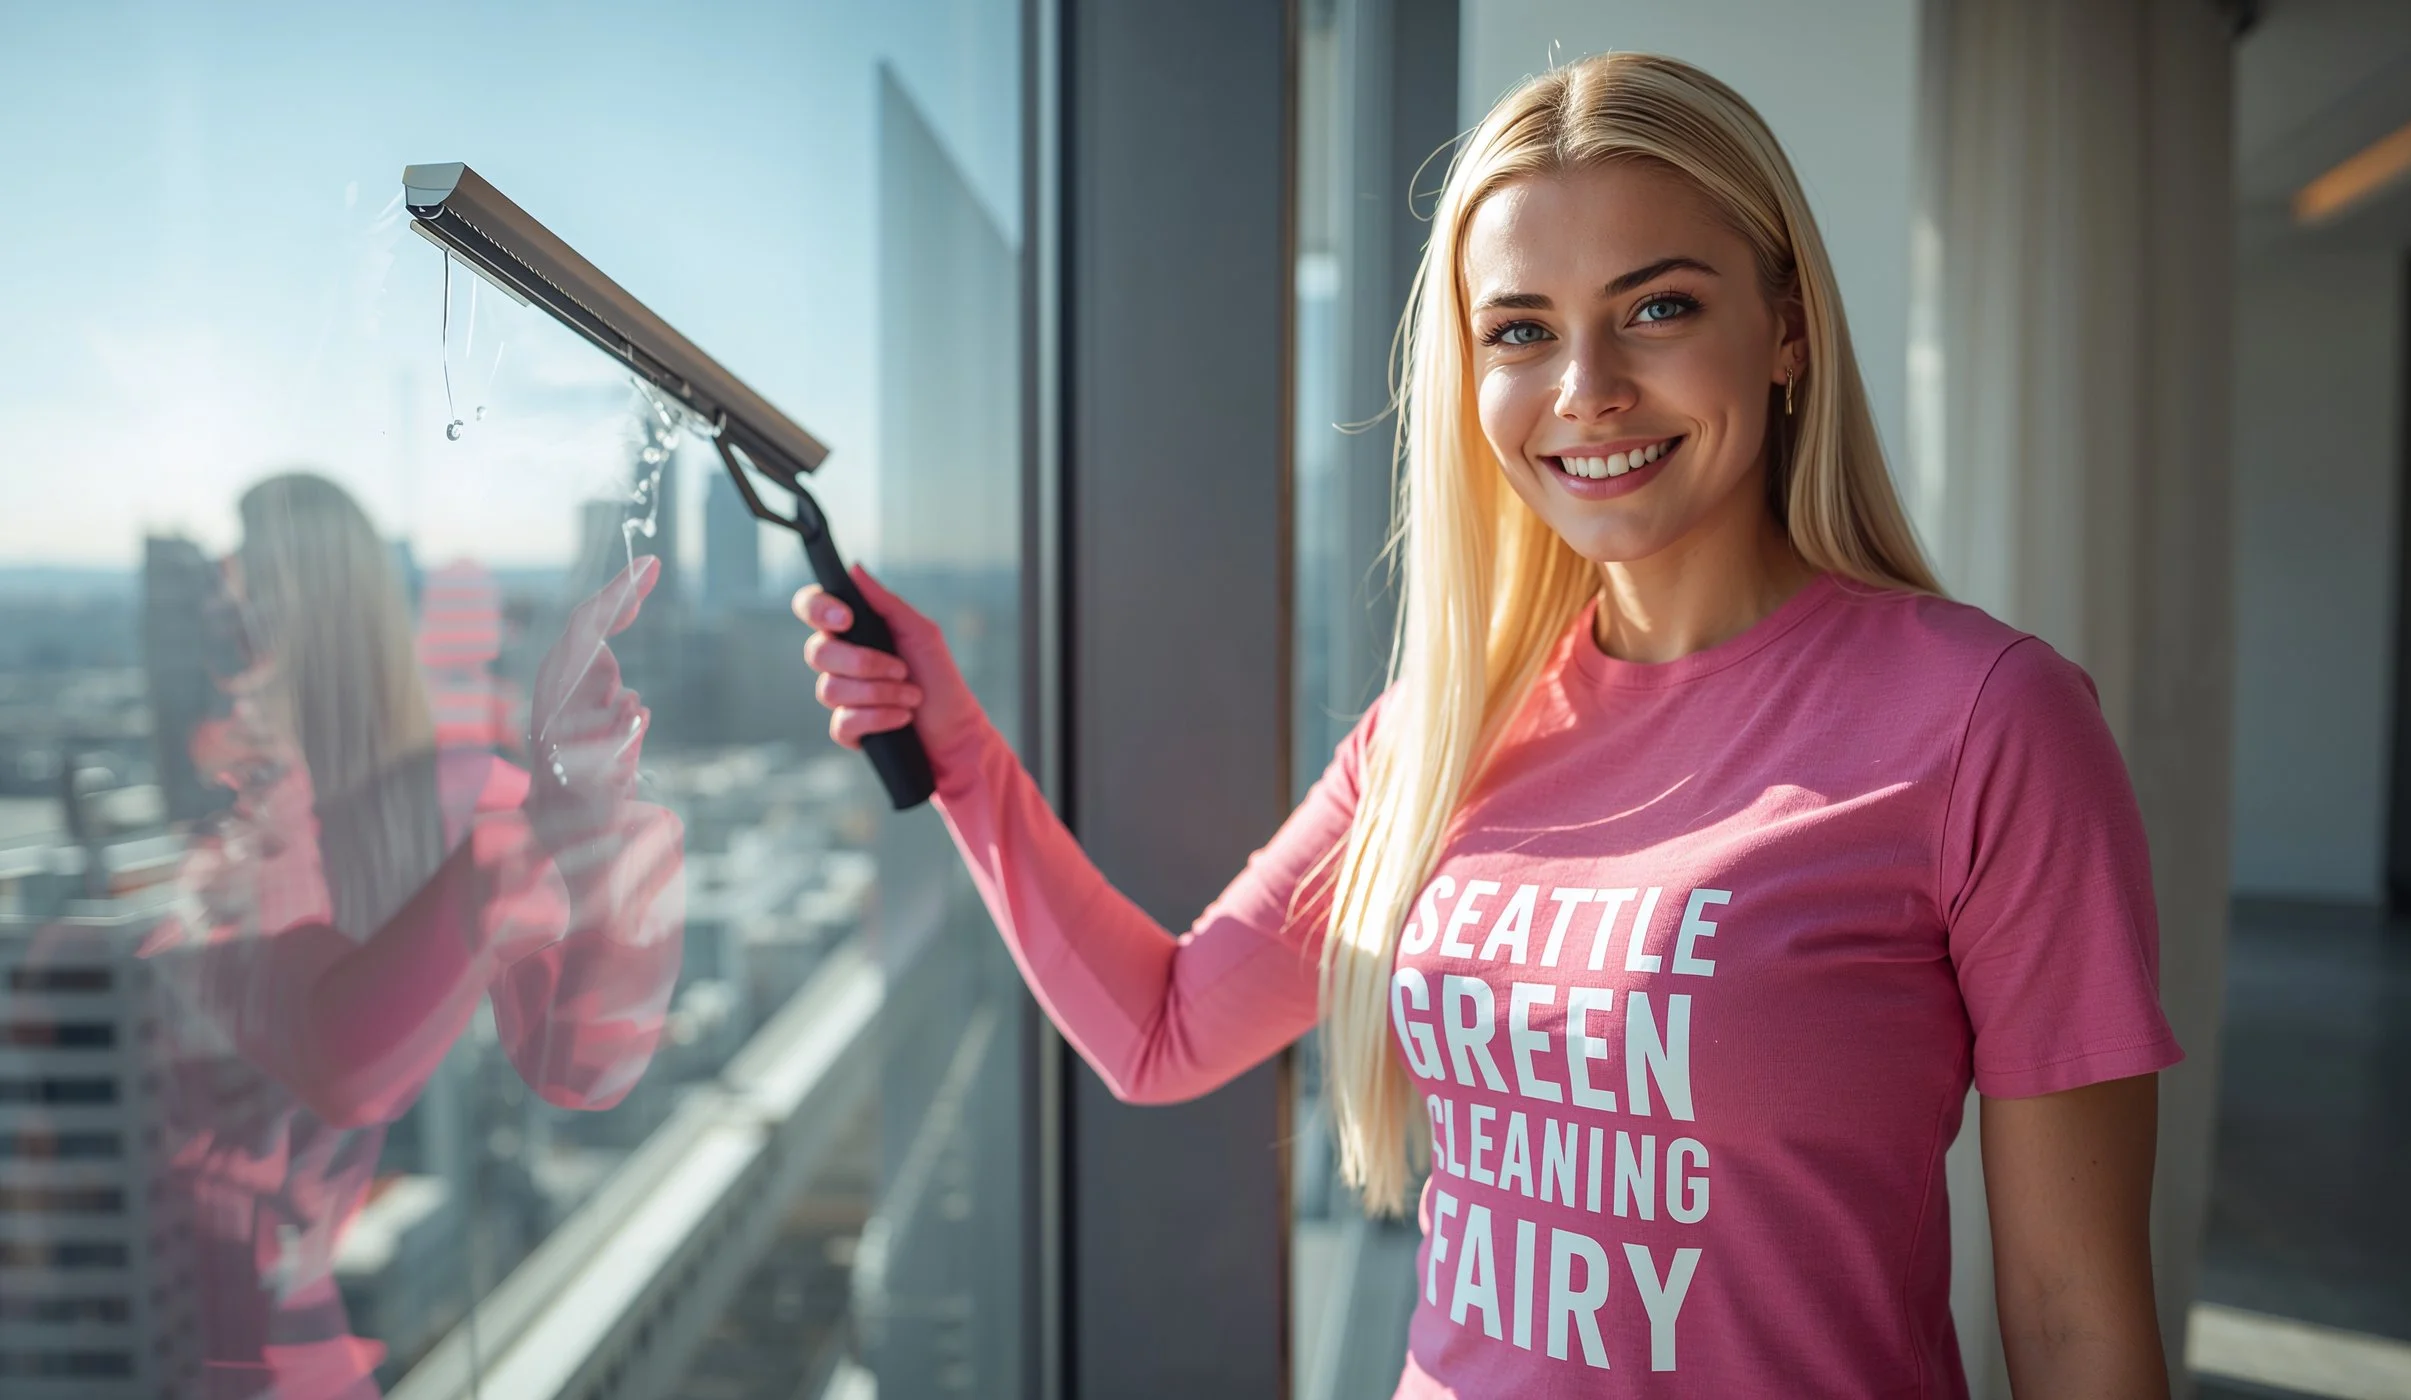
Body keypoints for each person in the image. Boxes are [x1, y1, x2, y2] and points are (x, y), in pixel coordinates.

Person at [795, 53, 2178, 1398]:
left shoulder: (1990, 724)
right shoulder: (1442, 733)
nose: (1586, 387)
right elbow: (1160, 1030)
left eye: (1659, 308)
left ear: (1788, 327)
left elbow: (2071, 1322)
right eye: (1520, 329)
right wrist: (962, 751)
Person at [137, 472, 684, 1399]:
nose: (223, 644)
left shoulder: (452, 801)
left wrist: (587, 825)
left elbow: (579, 1062)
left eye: (242, 606)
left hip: (250, 1358)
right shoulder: (221, 821)